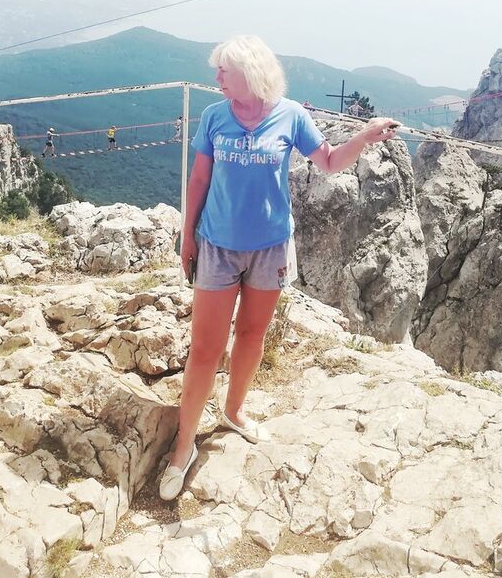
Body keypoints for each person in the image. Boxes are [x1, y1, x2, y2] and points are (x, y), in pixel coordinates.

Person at [159, 35, 397, 500]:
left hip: (270, 248)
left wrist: (363, 137)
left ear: (249, 72)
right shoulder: (214, 117)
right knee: (205, 349)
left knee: (252, 335)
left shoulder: (290, 115)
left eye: (224, 70)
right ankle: (184, 446)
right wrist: (187, 236)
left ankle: (234, 412)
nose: (216, 77)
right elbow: (200, 178)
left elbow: (328, 162)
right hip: (217, 246)